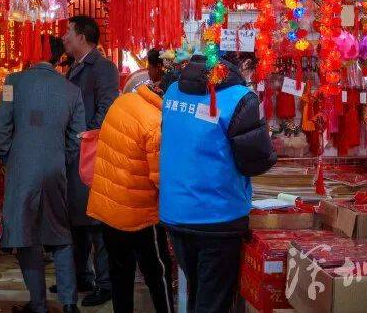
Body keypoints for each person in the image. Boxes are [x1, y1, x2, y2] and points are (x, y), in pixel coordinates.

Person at [159, 55, 277, 313]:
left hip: (176, 212)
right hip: (217, 216)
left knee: (199, 291)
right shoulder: (240, 98)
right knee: (213, 301)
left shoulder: (173, 91)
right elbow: (256, 162)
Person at [0, 36, 85, 313]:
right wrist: (61, 157)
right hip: (56, 169)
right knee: (59, 232)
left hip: (22, 168)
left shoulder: (13, 82)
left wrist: (8, 155)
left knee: (25, 234)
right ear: (58, 58)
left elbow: (1, 125)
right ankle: (69, 303)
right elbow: (78, 136)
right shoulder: (71, 91)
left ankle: (38, 303)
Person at [86, 80, 174, 313]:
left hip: (108, 206)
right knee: (158, 273)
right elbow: (159, 178)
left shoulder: (123, 101)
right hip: (139, 212)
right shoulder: (155, 123)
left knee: (120, 275)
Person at [58, 15, 119, 307]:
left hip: (93, 152)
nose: (64, 37)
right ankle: (81, 275)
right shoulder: (74, 68)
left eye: (68, 31)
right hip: (76, 153)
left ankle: (106, 282)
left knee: (96, 221)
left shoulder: (103, 67)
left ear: (82, 36)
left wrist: (87, 135)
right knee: (77, 218)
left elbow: (107, 105)